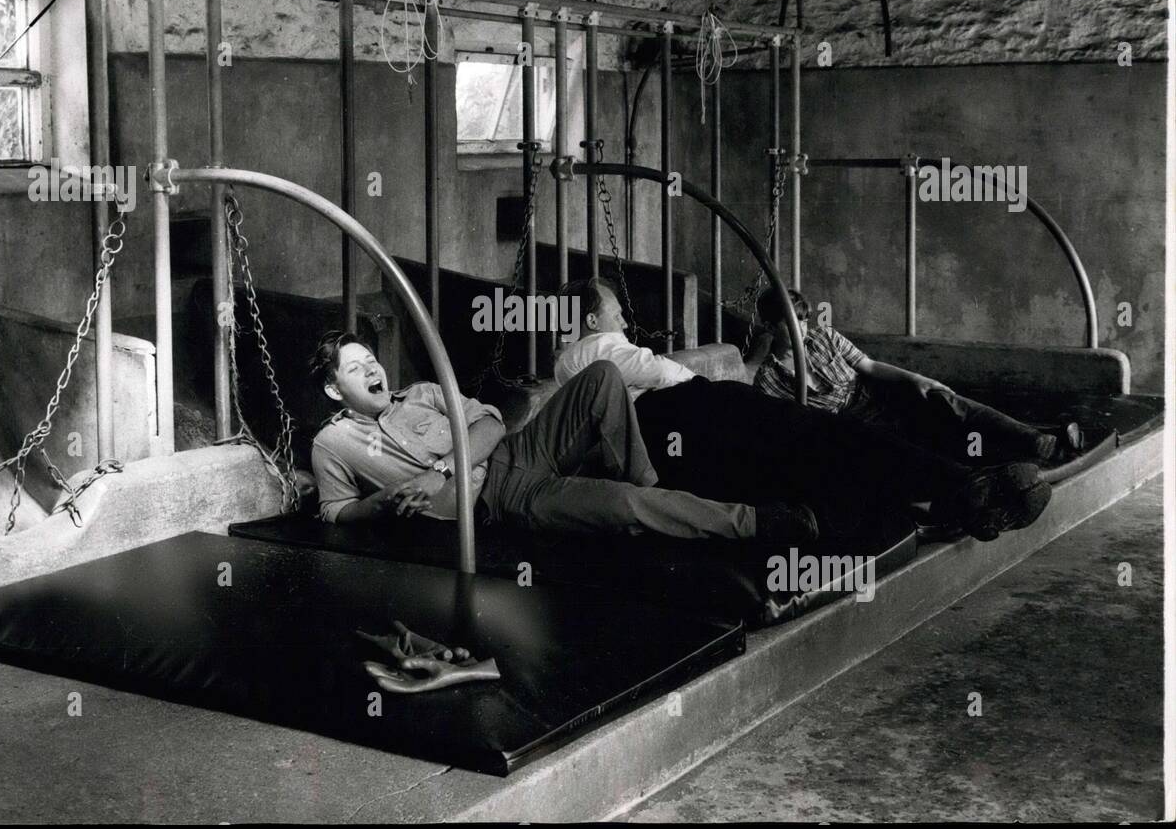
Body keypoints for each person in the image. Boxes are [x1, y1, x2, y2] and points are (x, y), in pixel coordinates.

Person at [553, 278, 1052, 543]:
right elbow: (658, 371)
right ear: (593, 317)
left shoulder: (582, 359)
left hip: (683, 426)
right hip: (682, 413)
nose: (623, 313)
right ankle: (960, 486)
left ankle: (955, 493)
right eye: (615, 307)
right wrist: (698, 378)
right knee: (822, 440)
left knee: (815, 454)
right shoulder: (591, 349)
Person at [308, 330, 819, 546]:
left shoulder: (419, 392)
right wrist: (385, 502)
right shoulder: (333, 444)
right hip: (502, 497)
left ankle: (651, 488)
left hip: (518, 450)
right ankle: (754, 524)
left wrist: (438, 470)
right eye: (357, 368)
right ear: (336, 389)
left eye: (371, 359)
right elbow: (336, 512)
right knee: (623, 504)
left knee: (601, 375)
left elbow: (490, 424)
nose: (373, 369)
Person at [752, 286, 1084, 465]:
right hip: (851, 425)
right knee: (931, 443)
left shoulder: (823, 336)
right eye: (792, 322)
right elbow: (800, 429)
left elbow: (868, 366)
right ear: (770, 327)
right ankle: (1020, 460)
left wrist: (917, 380)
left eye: (804, 319)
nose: (803, 328)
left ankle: (1038, 440)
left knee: (947, 403)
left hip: (874, 395)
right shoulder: (768, 381)